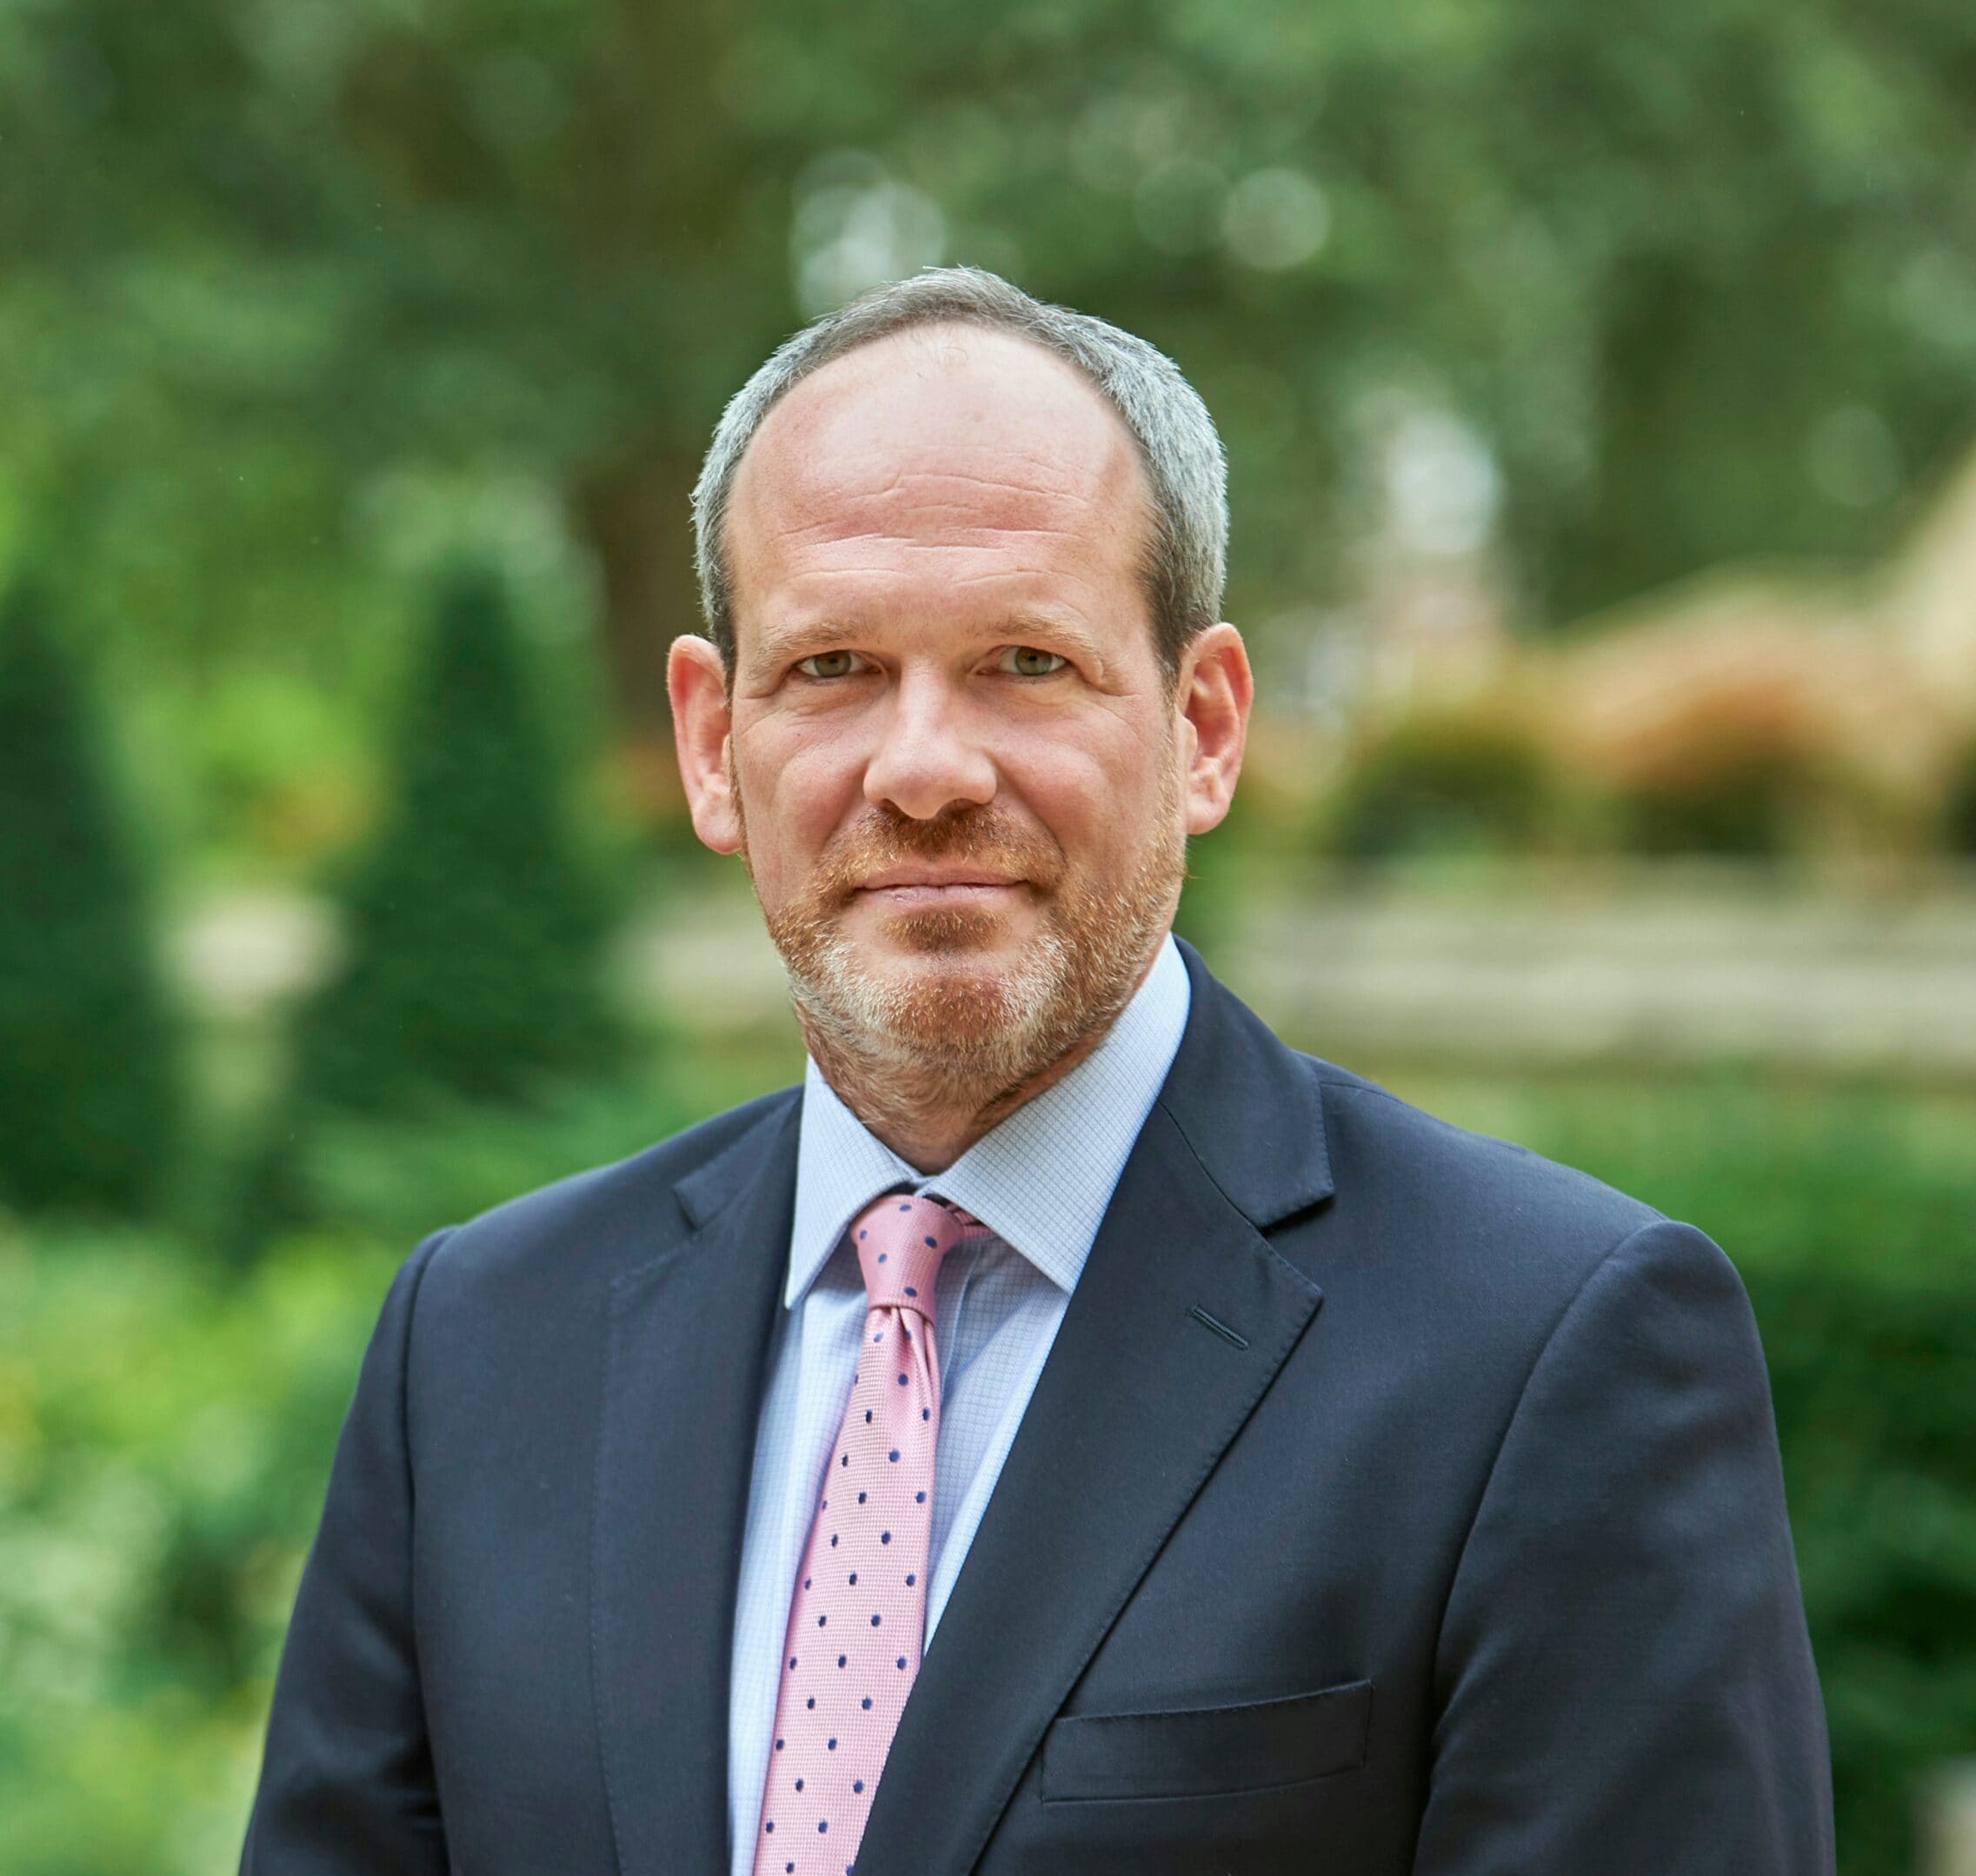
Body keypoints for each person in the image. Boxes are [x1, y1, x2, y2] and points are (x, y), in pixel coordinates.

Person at [240, 267, 1834, 1876]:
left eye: (1024, 660)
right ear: (712, 743)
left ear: (1204, 726)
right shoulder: (480, 1345)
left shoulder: (1545, 1352)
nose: (924, 769)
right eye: (832, 668)